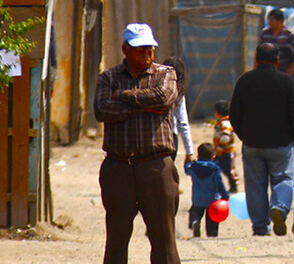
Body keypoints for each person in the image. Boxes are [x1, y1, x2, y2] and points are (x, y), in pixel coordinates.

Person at [93, 23, 180, 264]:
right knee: (117, 239)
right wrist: (145, 107)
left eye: (149, 46)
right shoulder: (108, 77)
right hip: (118, 168)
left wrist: (124, 96)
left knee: (164, 240)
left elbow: (163, 97)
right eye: (139, 47)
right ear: (125, 49)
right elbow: (101, 110)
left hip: (156, 167)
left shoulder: (166, 74)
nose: (146, 51)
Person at [230, 42, 294, 236]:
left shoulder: (244, 81)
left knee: (255, 185)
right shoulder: (287, 82)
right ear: (277, 60)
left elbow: (234, 114)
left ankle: (261, 226)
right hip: (281, 144)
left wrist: (243, 135)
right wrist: (291, 139)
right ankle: (279, 207)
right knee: (284, 178)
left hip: (252, 144)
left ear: (256, 58)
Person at [185, 143, 230, 238]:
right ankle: (212, 234)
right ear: (213, 156)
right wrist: (225, 195)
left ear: (198, 155)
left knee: (195, 212)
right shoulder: (214, 168)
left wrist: (187, 163)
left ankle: (194, 222)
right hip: (212, 200)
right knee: (212, 219)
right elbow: (219, 183)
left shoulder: (194, 167)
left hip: (197, 198)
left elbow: (187, 170)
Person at [162, 57, 195, 163]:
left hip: (153, 136)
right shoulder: (177, 93)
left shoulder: (154, 88)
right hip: (170, 138)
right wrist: (189, 152)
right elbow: (182, 123)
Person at [261, 8, 294, 77]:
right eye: (269, 19)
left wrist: (292, 67)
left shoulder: (289, 33)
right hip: (269, 69)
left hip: (285, 69)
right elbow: (259, 50)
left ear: (280, 21)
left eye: (272, 19)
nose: (270, 22)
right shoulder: (265, 33)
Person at [212, 99, 238, 193]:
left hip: (227, 152)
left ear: (217, 112)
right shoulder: (221, 122)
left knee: (229, 170)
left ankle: (234, 186)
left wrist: (219, 149)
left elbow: (225, 138)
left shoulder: (225, 123)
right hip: (221, 152)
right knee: (222, 169)